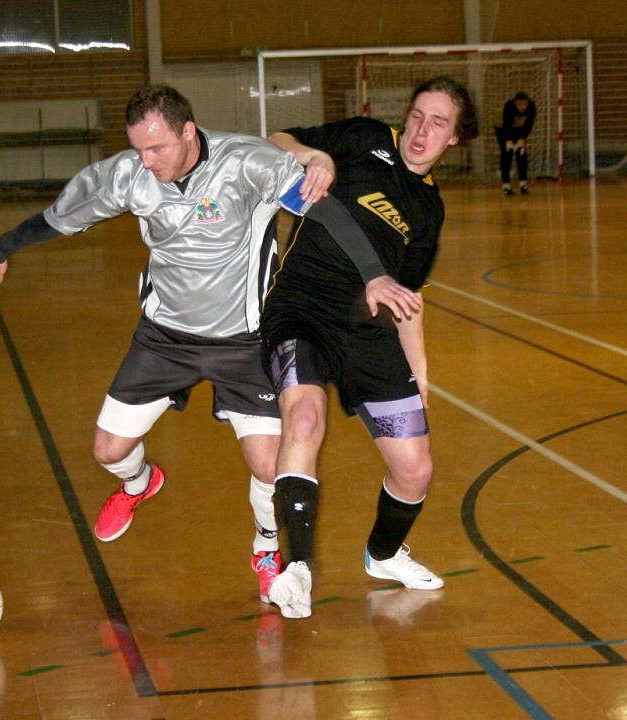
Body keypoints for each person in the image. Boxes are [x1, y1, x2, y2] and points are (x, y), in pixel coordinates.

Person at [0, 84, 420, 605]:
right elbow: (60, 216)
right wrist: (3, 245)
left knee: (269, 466)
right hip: (165, 337)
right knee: (108, 450)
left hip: (244, 340)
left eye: (157, 149)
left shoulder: (246, 164)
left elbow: (325, 211)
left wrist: (373, 274)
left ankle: (265, 547)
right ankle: (138, 484)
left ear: (188, 132)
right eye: (138, 149)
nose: (146, 162)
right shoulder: (129, 176)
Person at [261, 76, 479, 618]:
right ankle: (299, 570)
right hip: (301, 309)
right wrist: (315, 156)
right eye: (417, 115)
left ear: (455, 139)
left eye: (438, 123)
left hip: (367, 331)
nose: (421, 131)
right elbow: (275, 139)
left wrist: (421, 374)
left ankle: (383, 554)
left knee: (415, 468)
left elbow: (407, 299)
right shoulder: (362, 137)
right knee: (305, 418)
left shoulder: (429, 212)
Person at [494, 91, 536, 195]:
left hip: (519, 127)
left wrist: (522, 138)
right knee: (506, 154)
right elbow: (507, 125)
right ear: (515, 103)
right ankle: (506, 185)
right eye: (520, 104)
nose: (523, 107)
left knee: (521, 154)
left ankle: (523, 184)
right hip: (501, 127)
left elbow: (529, 124)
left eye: (524, 104)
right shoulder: (508, 106)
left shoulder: (531, 106)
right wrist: (508, 141)